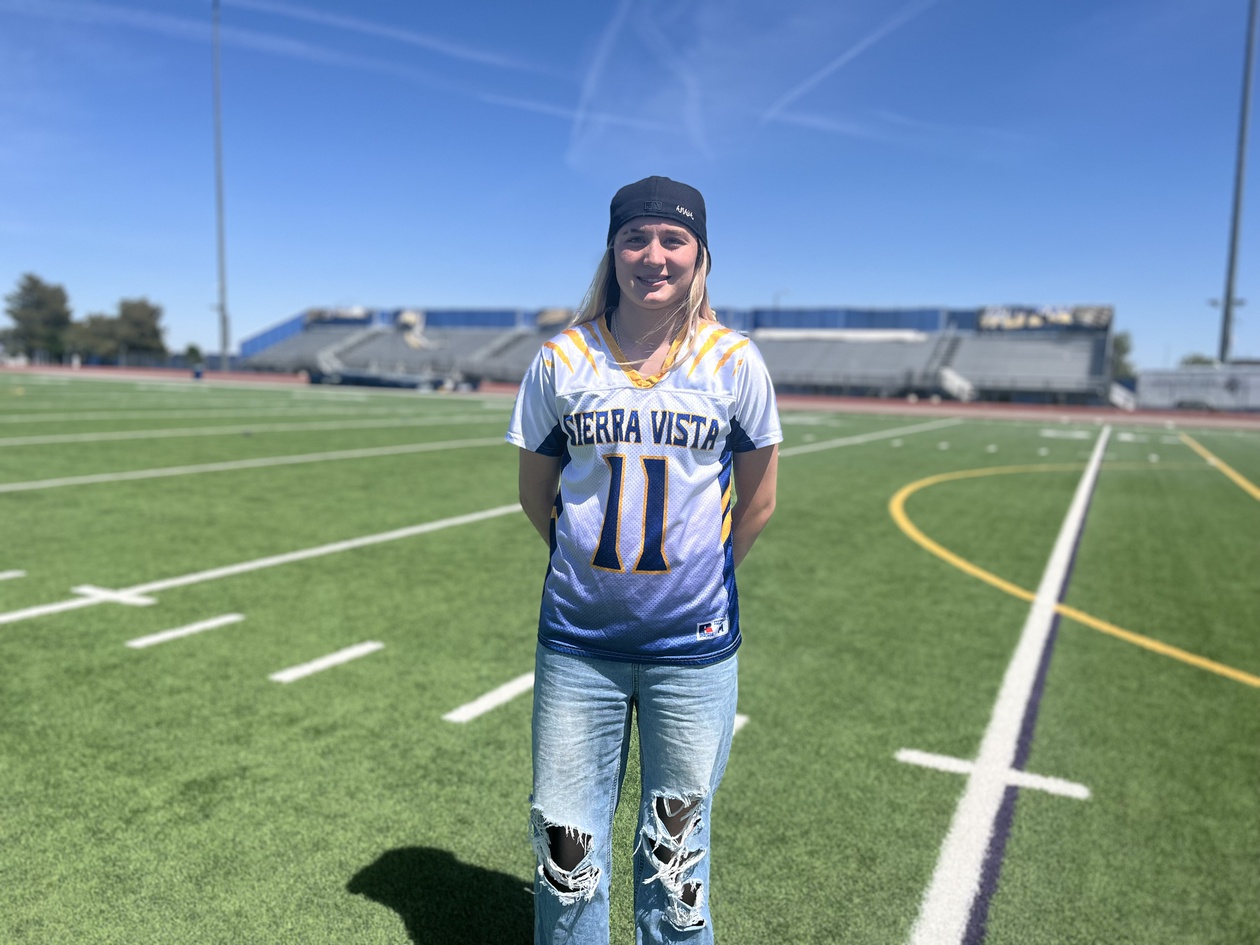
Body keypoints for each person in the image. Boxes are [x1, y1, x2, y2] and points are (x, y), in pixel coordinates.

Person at [506, 176, 781, 944]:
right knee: (566, 846)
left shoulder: (734, 362)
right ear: (613, 249)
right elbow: (539, 496)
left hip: (692, 654)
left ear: (700, 257)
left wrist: (691, 588)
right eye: (636, 238)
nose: (653, 255)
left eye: (672, 240)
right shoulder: (562, 360)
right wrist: (600, 581)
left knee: (676, 858)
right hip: (578, 647)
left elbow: (756, 504)